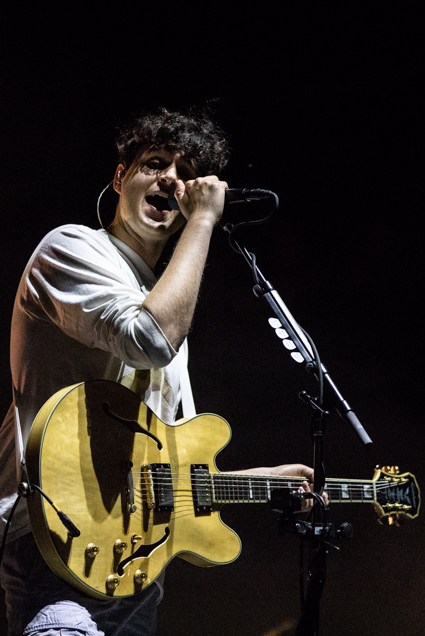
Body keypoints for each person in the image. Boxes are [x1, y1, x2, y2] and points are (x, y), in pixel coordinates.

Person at [0, 109, 316, 636]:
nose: (171, 178)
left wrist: (256, 482)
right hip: (56, 543)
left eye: (185, 172)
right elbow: (148, 339)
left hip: (133, 566)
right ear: (119, 177)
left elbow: (153, 471)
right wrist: (203, 222)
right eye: (154, 163)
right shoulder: (71, 248)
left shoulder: (163, 298)